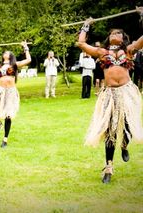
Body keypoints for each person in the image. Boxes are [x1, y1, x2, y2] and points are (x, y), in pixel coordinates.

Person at [77, 9, 143, 184]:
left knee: (128, 126)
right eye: (113, 32)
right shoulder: (101, 52)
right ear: (109, 37)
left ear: (123, 38)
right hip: (109, 94)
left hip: (126, 92)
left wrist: (142, 16)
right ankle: (108, 166)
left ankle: (124, 144)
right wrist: (86, 25)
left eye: (119, 33)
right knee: (110, 131)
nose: (116, 34)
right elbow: (82, 44)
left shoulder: (129, 50)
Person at [0, 41, 31, 148]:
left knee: (8, 116)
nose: (6, 53)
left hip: (11, 91)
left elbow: (28, 60)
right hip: (0, 89)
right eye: (5, 52)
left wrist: (25, 47)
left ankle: (5, 140)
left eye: (8, 52)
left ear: (11, 56)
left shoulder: (15, 65)